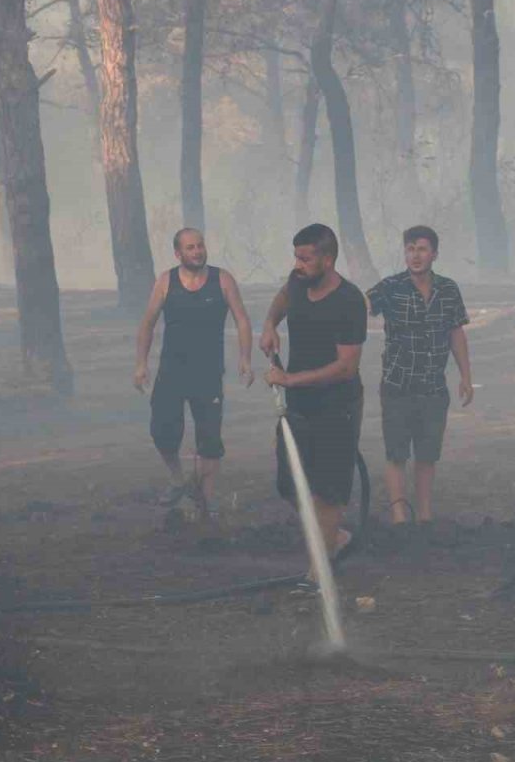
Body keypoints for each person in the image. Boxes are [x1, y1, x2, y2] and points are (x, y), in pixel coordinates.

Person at [260, 224, 367, 567]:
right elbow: (283, 297)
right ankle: (334, 538)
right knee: (289, 483)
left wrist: (290, 379)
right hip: (299, 405)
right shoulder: (298, 281)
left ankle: (319, 571)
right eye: (296, 256)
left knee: (328, 490)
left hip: (338, 406)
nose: (298, 264)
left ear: (328, 259)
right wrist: (269, 325)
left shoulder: (349, 301)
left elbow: (346, 366)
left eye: (305, 258)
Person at [134, 228, 254, 516]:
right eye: (190, 247)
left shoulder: (222, 280)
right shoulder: (166, 281)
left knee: (209, 439)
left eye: (200, 246)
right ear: (178, 253)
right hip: (171, 371)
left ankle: (205, 500)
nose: (198, 251)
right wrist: (141, 364)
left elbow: (242, 321)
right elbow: (147, 324)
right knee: (162, 431)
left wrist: (245, 359)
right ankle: (177, 479)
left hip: (208, 373)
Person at [366, 226, 472, 526]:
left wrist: (466, 375)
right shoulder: (390, 287)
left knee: (427, 454)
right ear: (405, 253)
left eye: (422, 249)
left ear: (434, 254)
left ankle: (424, 515)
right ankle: (399, 515)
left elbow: (456, 332)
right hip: (397, 384)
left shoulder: (448, 289)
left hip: (433, 386)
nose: (415, 255)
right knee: (396, 452)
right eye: (410, 248)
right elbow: (359, 306)